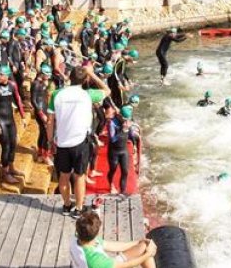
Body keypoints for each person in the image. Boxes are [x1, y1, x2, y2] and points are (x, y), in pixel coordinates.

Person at [49, 65, 109, 217]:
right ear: (85, 79)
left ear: (69, 77)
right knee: (79, 176)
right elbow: (107, 90)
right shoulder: (88, 94)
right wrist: (92, 74)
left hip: (62, 142)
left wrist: (50, 140)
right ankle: (78, 208)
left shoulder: (56, 94)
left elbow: (49, 121)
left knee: (63, 175)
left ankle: (67, 205)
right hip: (80, 142)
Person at [70, 208, 157, 268]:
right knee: (146, 252)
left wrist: (138, 242)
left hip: (107, 265)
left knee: (144, 245)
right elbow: (126, 265)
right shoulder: (95, 260)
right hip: (108, 265)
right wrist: (148, 254)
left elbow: (110, 245)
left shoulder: (78, 238)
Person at [106, 105, 134, 196]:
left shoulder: (127, 122)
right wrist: (123, 130)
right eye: (124, 119)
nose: (126, 121)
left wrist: (135, 145)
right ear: (119, 115)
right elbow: (113, 139)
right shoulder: (112, 123)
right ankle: (111, 185)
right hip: (114, 151)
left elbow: (131, 135)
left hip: (123, 151)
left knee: (125, 171)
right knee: (113, 170)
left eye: (128, 119)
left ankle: (123, 191)